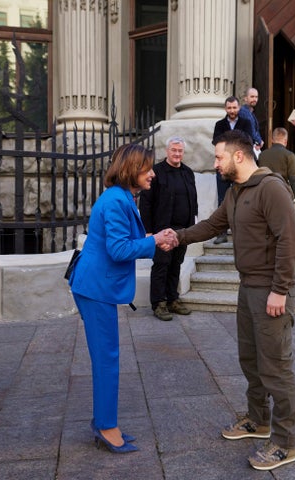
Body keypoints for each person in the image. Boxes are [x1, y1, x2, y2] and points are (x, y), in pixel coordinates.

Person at [173, 129, 295, 472]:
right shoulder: (237, 192)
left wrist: (280, 290)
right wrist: (178, 237)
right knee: (251, 360)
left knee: (276, 367)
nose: (215, 163)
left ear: (238, 156)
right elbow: (213, 225)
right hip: (248, 288)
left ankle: (285, 443)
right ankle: (258, 421)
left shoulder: (271, 188)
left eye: (219, 157)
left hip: (271, 290)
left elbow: (289, 240)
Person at [68, 143, 177, 453]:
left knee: (108, 357)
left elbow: (124, 241)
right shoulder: (116, 201)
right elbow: (118, 250)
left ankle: (105, 421)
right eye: (148, 168)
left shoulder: (120, 197)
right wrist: (155, 240)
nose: (153, 173)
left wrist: (153, 239)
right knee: (107, 359)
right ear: (132, 169)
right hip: (94, 288)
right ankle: (105, 426)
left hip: (95, 285)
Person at [139, 136, 198, 321]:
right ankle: (159, 303)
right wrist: (148, 231)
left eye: (180, 151)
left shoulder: (188, 173)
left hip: (183, 231)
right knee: (161, 265)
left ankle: (173, 299)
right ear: (167, 151)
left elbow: (193, 200)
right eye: (174, 150)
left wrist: (192, 227)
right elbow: (146, 203)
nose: (177, 154)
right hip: (162, 230)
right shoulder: (156, 172)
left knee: (176, 265)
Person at [212, 96, 255, 243]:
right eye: (229, 108)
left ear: (239, 107)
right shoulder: (219, 124)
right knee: (222, 200)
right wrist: (235, 139)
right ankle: (222, 233)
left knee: (245, 199)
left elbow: (249, 140)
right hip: (224, 168)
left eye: (234, 108)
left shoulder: (246, 122)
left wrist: (227, 141)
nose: (232, 110)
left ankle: (244, 232)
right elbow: (216, 142)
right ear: (225, 108)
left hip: (240, 167)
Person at [258, 127, 295, 213]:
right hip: (282, 194)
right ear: (286, 141)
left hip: (264, 194)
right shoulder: (289, 155)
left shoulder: (262, 155)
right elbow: (294, 179)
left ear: (272, 140)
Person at [238, 87, 264, 155]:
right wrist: (259, 141)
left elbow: (256, 130)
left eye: (256, 97)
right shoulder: (244, 112)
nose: (254, 99)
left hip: (251, 145)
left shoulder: (251, 112)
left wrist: (258, 142)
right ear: (245, 98)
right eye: (252, 97)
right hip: (245, 147)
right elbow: (251, 130)